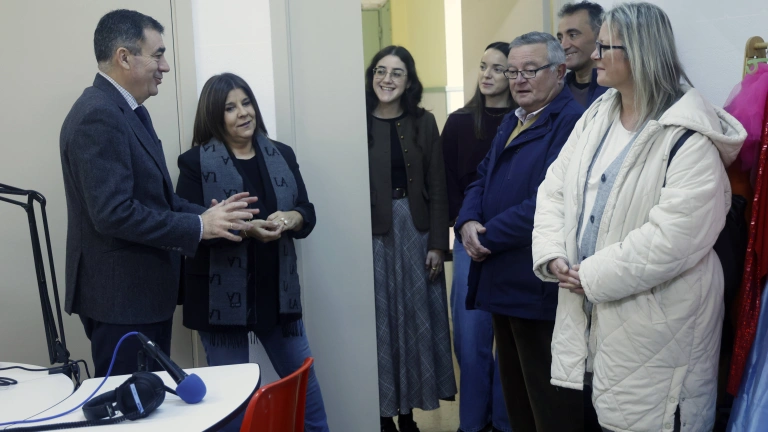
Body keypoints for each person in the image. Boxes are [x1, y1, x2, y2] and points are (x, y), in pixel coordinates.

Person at [531, 3, 747, 432]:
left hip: (661, 326)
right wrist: (553, 252)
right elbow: (555, 188)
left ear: (640, 53)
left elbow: (674, 238)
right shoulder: (598, 116)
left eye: (605, 47)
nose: (594, 55)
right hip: (597, 313)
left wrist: (590, 274)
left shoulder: (690, 137)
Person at [59, 9, 257, 378]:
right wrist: (199, 227)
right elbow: (114, 213)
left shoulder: (129, 111)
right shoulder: (97, 115)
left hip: (143, 298)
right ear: (124, 57)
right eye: (158, 55)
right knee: (132, 404)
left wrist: (217, 219)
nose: (165, 66)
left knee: (150, 401)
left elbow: (159, 200)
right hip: (122, 302)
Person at [175, 73, 329, 432]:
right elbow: (188, 227)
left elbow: (306, 211)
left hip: (277, 297)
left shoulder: (282, 154)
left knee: (307, 398)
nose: (243, 112)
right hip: (218, 306)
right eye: (230, 108)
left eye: (246, 103)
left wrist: (291, 218)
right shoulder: (194, 163)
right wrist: (245, 229)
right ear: (215, 116)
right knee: (232, 411)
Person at [455, 32, 584, 432]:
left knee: (546, 407)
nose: (519, 80)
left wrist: (486, 236)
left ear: (559, 71)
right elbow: (481, 177)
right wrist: (467, 221)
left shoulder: (571, 123)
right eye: (512, 72)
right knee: (516, 403)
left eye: (530, 70)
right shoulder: (514, 119)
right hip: (500, 280)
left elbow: (546, 203)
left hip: (535, 285)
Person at [366, 45, 456, 432]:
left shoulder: (424, 122)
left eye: (397, 73)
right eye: (380, 70)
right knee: (381, 324)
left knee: (415, 323)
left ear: (409, 81)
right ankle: (383, 415)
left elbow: (438, 186)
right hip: (370, 236)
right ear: (372, 75)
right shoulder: (355, 120)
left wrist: (438, 244)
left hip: (416, 235)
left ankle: (409, 414)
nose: (387, 79)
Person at [441, 41, 516, 432]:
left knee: (510, 341)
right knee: (470, 340)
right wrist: (463, 224)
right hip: (468, 239)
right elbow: (445, 182)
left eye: (497, 68)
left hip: (514, 241)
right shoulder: (458, 122)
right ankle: (472, 423)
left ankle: (503, 422)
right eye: (484, 66)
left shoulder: (525, 121)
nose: (487, 74)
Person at [557, 1, 607, 107]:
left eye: (573, 35)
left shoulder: (616, 90)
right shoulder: (556, 91)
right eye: (560, 38)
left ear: (599, 36)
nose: (563, 46)